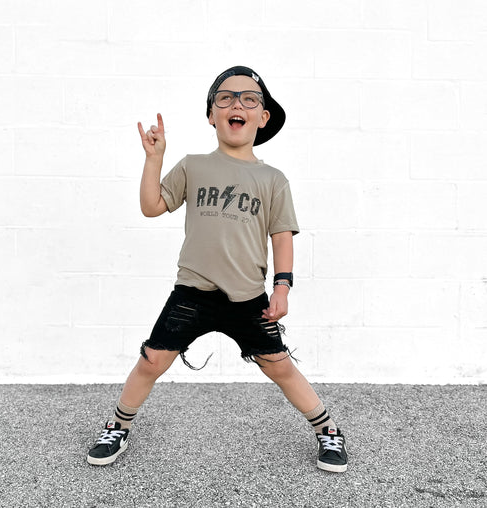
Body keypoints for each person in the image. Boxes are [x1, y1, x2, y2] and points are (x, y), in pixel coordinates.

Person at [87, 66, 348, 473]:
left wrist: (282, 287)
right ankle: (117, 426)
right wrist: (154, 159)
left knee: (280, 365)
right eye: (225, 98)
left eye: (249, 99)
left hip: (248, 297)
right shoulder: (193, 166)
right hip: (192, 293)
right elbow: (152, 206)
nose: (236, 104)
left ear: (263, 117)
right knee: (151, 361)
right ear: (212, 115)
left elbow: (282, 236)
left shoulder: (272, 179)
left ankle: (327, 429)